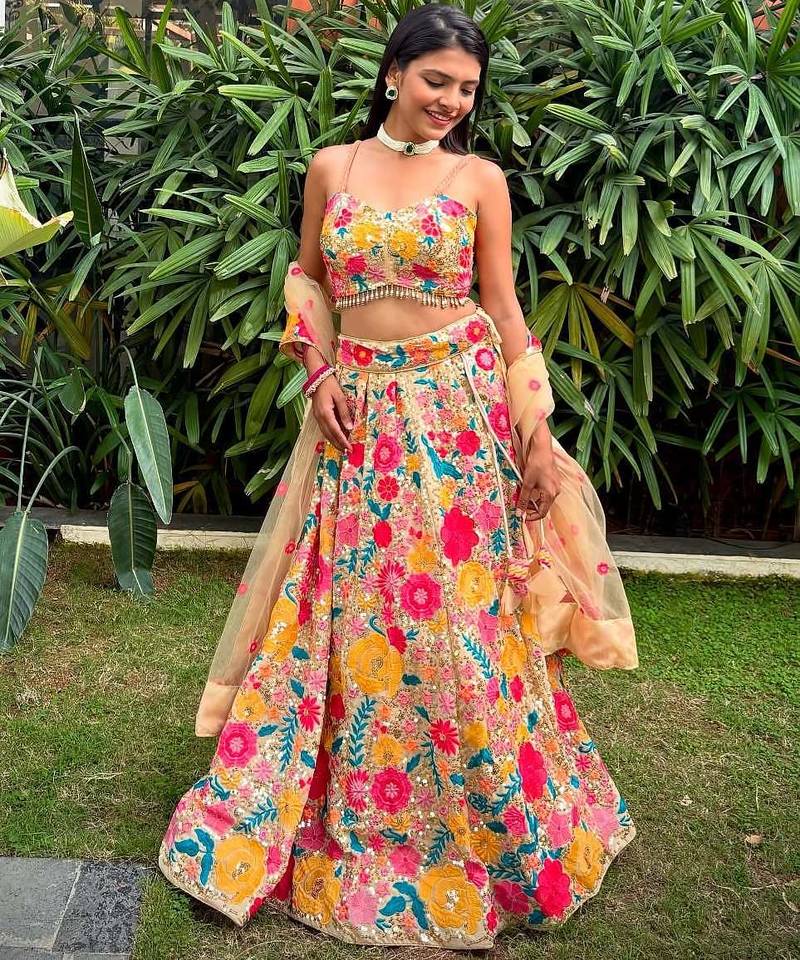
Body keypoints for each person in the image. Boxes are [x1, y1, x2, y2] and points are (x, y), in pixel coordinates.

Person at [158, 4, 639, 948]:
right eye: (436, 81)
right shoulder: (332, 167)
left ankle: (492, 818)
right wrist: (318, 374)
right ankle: (353, 798)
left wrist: (536, 436)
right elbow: (306, 281)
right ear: (393, 73)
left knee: (459, 612)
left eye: (467, 89)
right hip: (362, 418)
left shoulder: (479, 179)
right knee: (358, 608)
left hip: (458, 417)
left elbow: (503, 308)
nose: (452, 101)